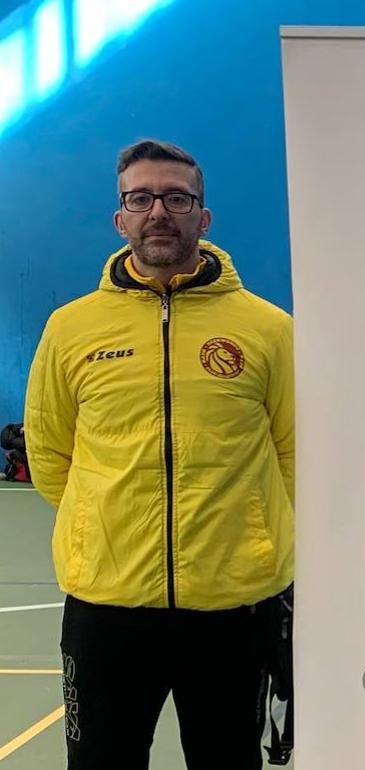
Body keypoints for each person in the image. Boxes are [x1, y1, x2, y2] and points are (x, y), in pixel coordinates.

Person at [24, 139, 295, 769]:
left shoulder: (268, 329)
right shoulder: (71, 328)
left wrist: (252, 535)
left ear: (204, 216)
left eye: (177, 198)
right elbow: (49, 452)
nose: (159, 212)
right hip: (106, 607)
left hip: (233, 605)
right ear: (120, 218)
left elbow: (292, 453)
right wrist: (104, 523)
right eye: (141, 198)